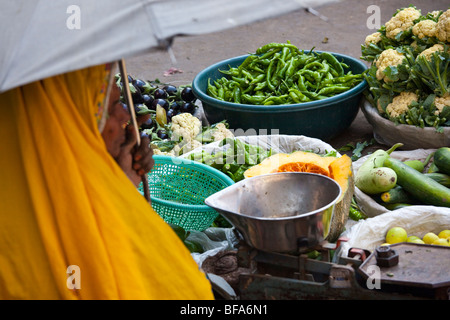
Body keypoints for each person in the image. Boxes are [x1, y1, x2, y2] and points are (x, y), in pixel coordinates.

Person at [0, 62, 214, 300]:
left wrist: (121, 178)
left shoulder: (43, 174)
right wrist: (120, 189)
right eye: (109, 107)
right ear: (71, 124)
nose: (126, 114)